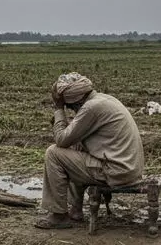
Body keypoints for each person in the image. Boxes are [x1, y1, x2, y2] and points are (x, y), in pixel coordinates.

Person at [36, 72, 144, 229]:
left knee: (54, 153)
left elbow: (61, 139)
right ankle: (75, 210)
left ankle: (59, 215)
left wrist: (59, 109)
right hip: (127, 167)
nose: (72, 111)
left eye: (70, 107)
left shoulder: (91, 107)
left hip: (116, 170)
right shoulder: (103, 99)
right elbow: (72, 139)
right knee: (73, 150)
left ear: (76, 102)